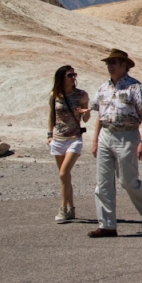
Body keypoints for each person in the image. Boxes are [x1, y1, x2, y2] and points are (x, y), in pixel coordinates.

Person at [88, 49, 142, 238]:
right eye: (108, 63)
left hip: (127, 136)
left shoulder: (135, 87)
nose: (110, 66)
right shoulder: (103, 88)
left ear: (124, 65)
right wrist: (94, 141)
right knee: (102, 183)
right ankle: (107, 225)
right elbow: (99, 117)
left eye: (114, 63)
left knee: (127, 180)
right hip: (105, 136)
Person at [47, 65, 91, 223]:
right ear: (61, 78)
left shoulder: (81, 94)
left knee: (63, 173)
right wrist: (49, 135)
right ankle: (71, 208)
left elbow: (86, 119)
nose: (73, 78)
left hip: (74, 139)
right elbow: (52, 115)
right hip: (58, 139)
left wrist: (86, 112)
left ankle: (63, 209)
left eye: (74, 75)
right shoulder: (55, 95)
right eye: (69, 75)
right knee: (65, 177)